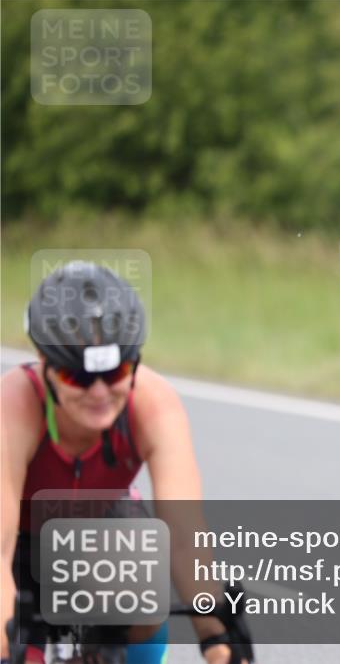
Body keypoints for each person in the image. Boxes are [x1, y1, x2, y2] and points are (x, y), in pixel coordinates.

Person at [0, 261, 250, 664]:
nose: (99, 392)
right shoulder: (13, 407)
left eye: (115, 372)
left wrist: (216, 635)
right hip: (19, 546)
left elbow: (185, 538)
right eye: (77, 378)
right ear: (43, 365)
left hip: (101, 526)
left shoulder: (154, 402)